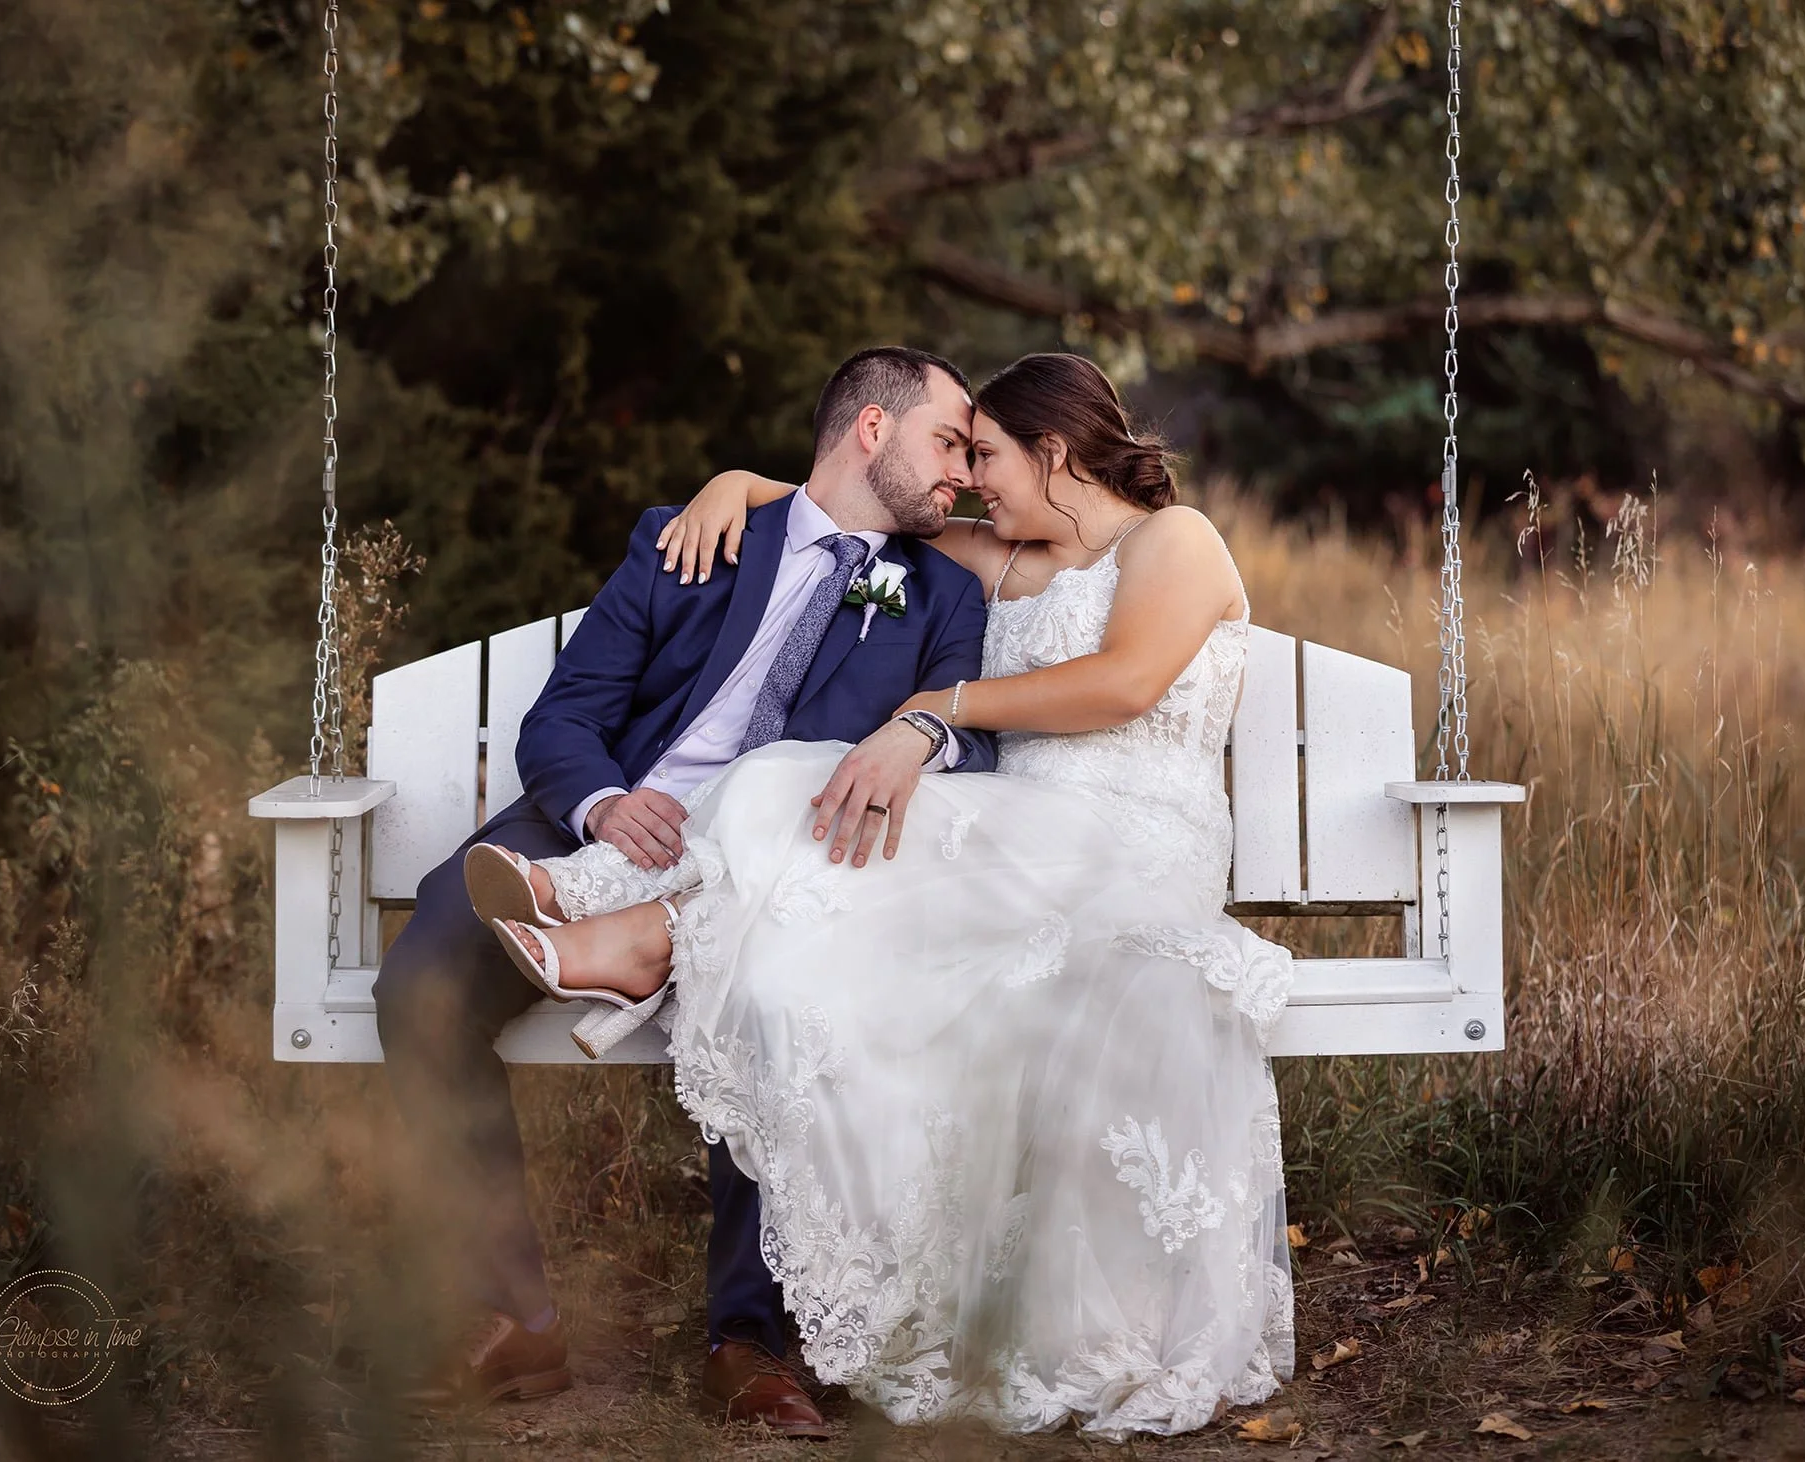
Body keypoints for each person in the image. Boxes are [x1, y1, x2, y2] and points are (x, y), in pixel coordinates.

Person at [473, 352, 1297, 1437]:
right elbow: (841, 501)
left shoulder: (1172, 540)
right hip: (999, 844)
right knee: (801, 821)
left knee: (806, 788)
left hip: (1127, 846)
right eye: (962, 453)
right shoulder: (998, 552)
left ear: (1053, 452)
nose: (969, 481)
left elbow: (1127, 682)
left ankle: (635, 926)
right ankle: (634, 921)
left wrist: (931, 710)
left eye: (984, 455)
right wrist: (736, 484)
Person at [371, 346, 998, 1432]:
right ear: (872, 428)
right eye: (948, 440)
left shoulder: (941, 590)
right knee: (421, 980)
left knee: (775, 992)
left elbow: (972, 743)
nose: (964, 471)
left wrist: (919, 733)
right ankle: (511, 1313)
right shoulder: (692, 541)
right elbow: (564, 716)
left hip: (777, 867)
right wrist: (604, 804)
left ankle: (748, 1338)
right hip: (617, 817)